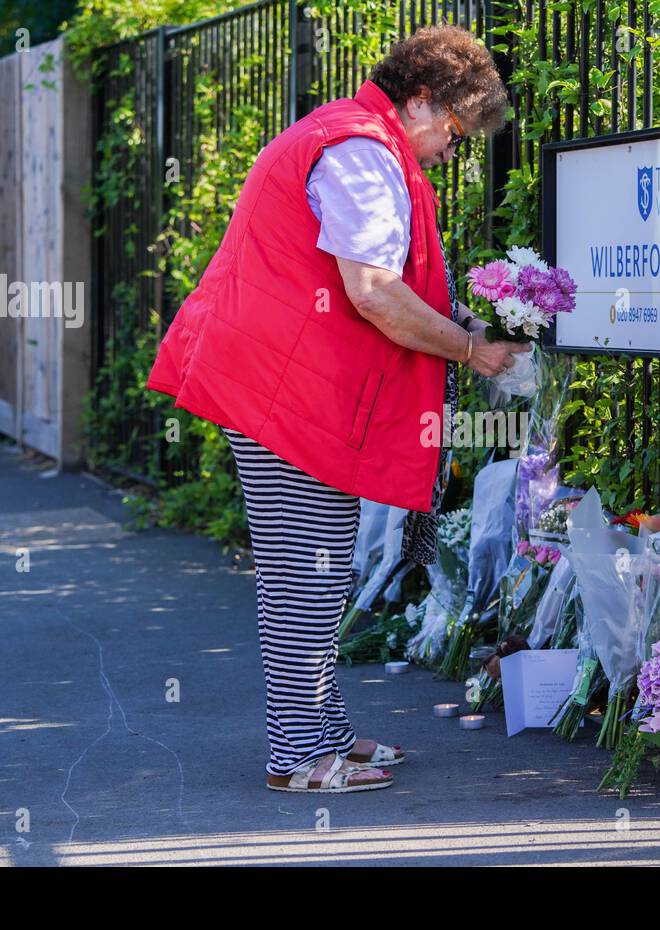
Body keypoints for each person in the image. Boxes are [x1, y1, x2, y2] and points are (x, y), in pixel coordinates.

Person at [146, 25, 528, 794]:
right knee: (303, 577)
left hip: (284, 387)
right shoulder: (360, 153)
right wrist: (467, 348)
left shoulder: (348, 136)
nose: (452, 151)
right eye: (454, 130)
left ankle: (323, 733)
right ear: (422, 100)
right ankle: (296, 755)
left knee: (316, 571)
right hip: (280, 394)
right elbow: (376, 292)